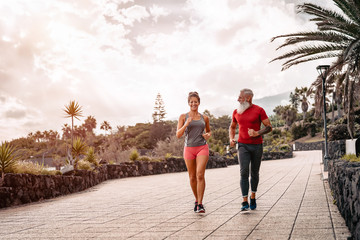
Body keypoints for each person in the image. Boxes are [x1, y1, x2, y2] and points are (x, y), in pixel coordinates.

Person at [229, 88, 272, 212]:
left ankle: (253, 197)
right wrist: (232, 138)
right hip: (242, 145)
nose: (238, 99)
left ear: (248, 98)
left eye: (240, 97)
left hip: (257, 146)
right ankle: (244, 201)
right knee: (243, 172)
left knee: (254, 172)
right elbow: (232, 127)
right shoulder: (236, 112)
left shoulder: (259, 110)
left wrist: (257, 133)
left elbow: (269, 127)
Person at [176, 91, 211, 213]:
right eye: (191, 102)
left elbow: (208, 131)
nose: (193, 103)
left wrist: (207, 135)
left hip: (202, 147)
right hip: (189, 149)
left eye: (195, 101)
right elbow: (178, 135)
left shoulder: (204, 118)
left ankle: (200, 204)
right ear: (188, 103)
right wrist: (186, 124)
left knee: (200, 175)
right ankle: (197, 200)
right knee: (192, 177)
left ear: (199, 103)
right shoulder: (183, 117)